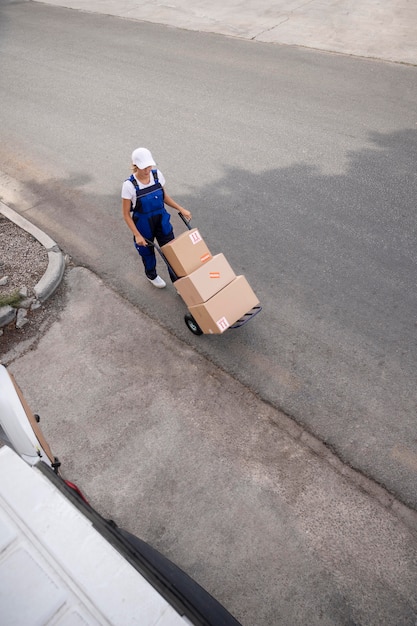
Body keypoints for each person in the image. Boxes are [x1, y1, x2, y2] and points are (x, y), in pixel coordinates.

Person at [121, 147, 192, 288]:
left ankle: (178, 282)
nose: (147, 170)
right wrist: (137, 235)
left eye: (149, 166)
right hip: (143, 224)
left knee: (171, 253)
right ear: (135, 166)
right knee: (147, 254)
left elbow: (164, 196)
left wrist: (180, 208)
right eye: (143, 168)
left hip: (161, 220)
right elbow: (125, 214)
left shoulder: (157, 175)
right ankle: (151, 275)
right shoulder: (129, 186)